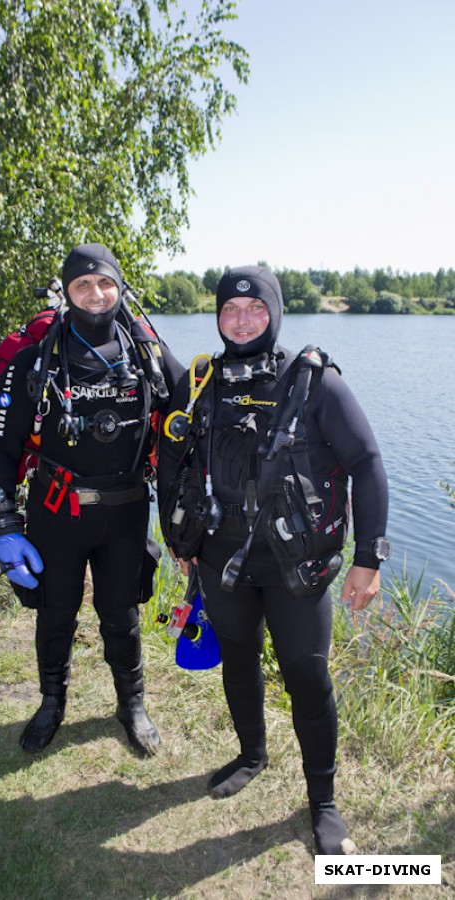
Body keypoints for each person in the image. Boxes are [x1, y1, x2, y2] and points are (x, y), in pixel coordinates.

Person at [158, 265, 390, 855]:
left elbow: (367, 463)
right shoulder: (199, 381)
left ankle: (324, 804)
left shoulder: (313, 381)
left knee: (307, 679)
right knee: (237, 663)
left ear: (274, 312)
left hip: (296, 569)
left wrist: (370, 558)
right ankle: (252, 754)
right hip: (220, 561)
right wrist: (181, 544)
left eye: (254, 308)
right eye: (230, 310)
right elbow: (171, 465)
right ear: (218, 316)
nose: (241, 320)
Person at [0, 243, 184, 757]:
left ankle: (131, 704)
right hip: (56, 511)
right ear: (67, 292)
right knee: (54, 613)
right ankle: (51, 702)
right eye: (82, 285)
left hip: (126, 511)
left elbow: (196, 413)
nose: (96, 294)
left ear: (120, 287)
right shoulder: (35, 362)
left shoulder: (149, 355)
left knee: (122, 614)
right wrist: (3, 527)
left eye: (105, 283)